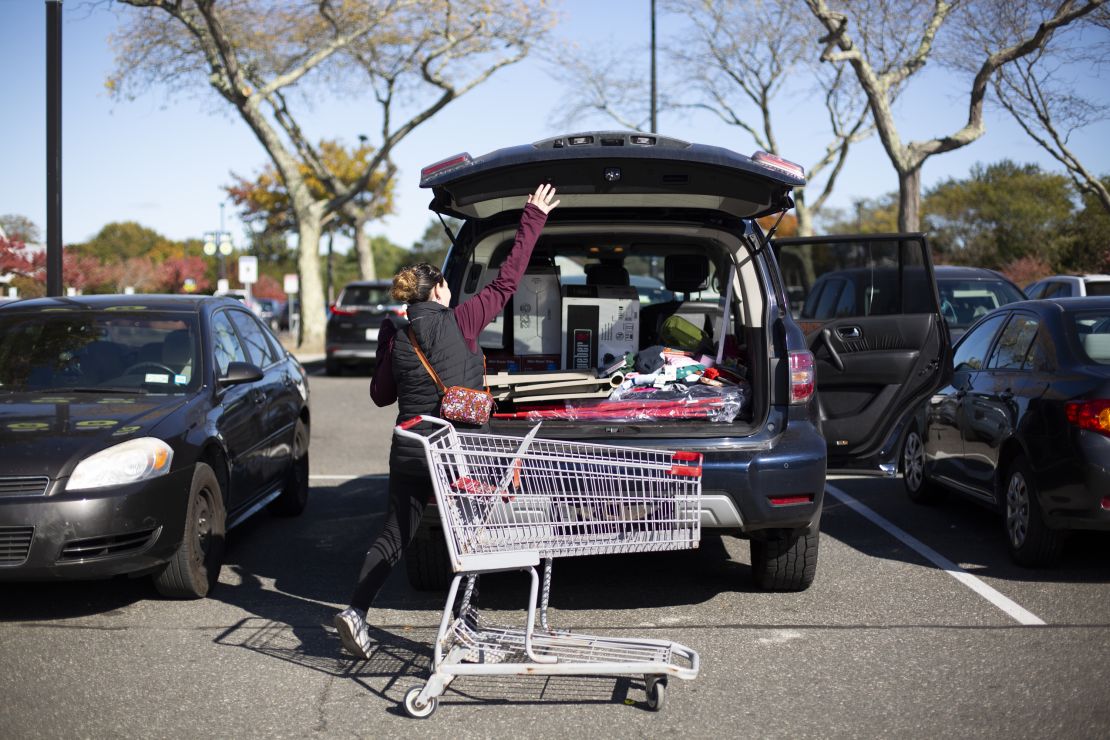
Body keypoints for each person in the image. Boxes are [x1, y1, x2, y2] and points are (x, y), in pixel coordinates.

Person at [334, 182, 560, 659]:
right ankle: (465, 618)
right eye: (445, 285)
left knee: (396, 533)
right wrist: (532, 218)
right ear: (438, 289)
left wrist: (386, 341)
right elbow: (507, 280)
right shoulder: (463, 319)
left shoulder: (398, 336)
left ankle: (355, 612)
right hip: (459, 452)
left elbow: (380, 396)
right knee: (474, 529)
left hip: (412, 448)